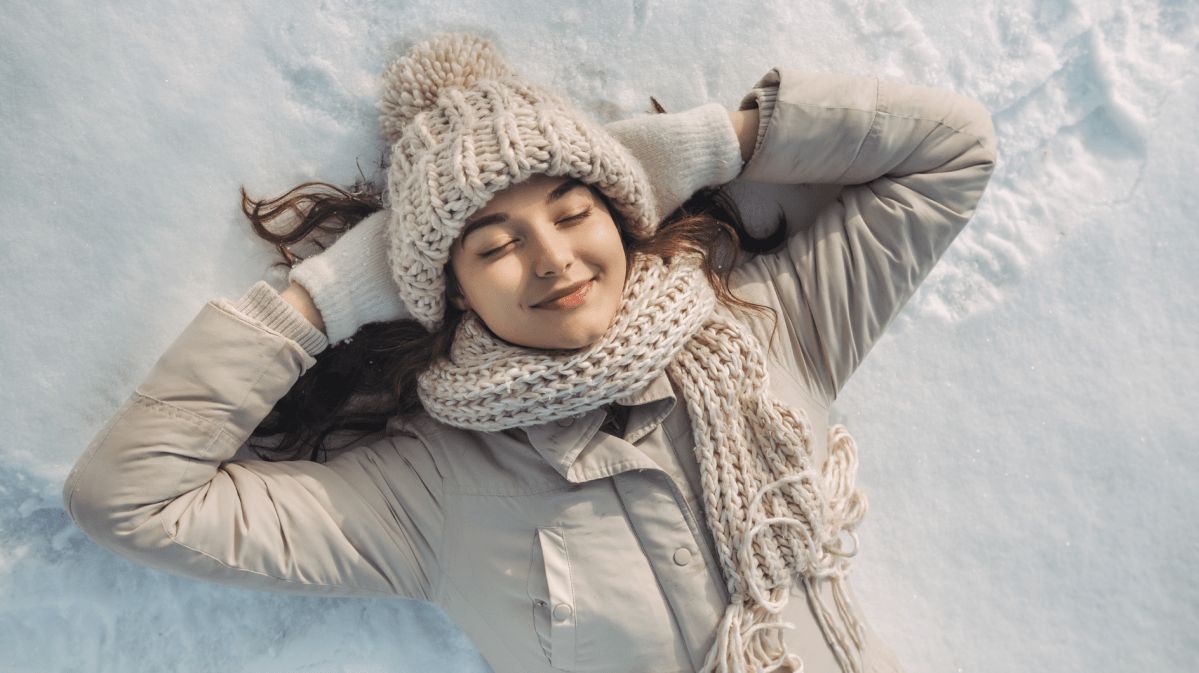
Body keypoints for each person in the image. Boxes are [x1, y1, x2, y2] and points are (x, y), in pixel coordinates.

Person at [63, 34, 995, 673]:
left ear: (624, 217)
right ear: (450, 291)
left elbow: (951, 151)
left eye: (573, 209)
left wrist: (710, 142)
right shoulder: (429, 494)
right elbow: (129, 501)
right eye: (494, 244)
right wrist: (320, 300)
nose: (550, 258)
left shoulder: (764, 330)